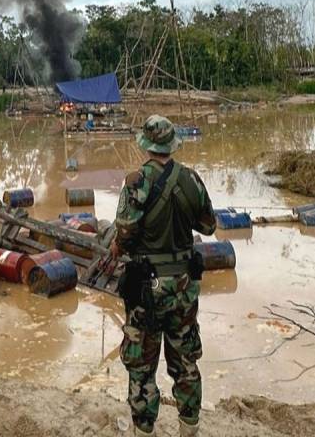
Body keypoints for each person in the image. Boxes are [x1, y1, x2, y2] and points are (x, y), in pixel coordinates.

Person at [112, 115, 216, 437]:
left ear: (145, 144)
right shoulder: (191, 180)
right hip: (184, 287)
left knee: (142, 364)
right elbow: (209, 227)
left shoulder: (135, 183)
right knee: (185, 359)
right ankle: (189, 428)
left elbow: (125, 234)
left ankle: (144, 431)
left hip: (146, 288)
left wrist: (118, 246)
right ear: (171, 145)